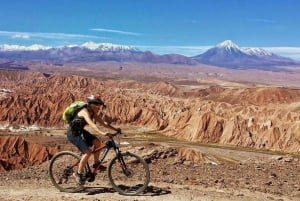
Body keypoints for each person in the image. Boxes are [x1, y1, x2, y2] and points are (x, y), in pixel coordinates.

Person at [66, 94, 120, 185]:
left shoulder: (93, 113)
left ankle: (96, 164)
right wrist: (102, 133)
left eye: (100, 105)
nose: (99, 107)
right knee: (87, 152)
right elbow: (92, 124)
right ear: (91, 104)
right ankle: (78, 174)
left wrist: (116, 129)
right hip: (73, 133)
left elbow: (104, 123)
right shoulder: (84, 111)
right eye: (97, 105)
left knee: (98, 143)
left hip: (81, 131)